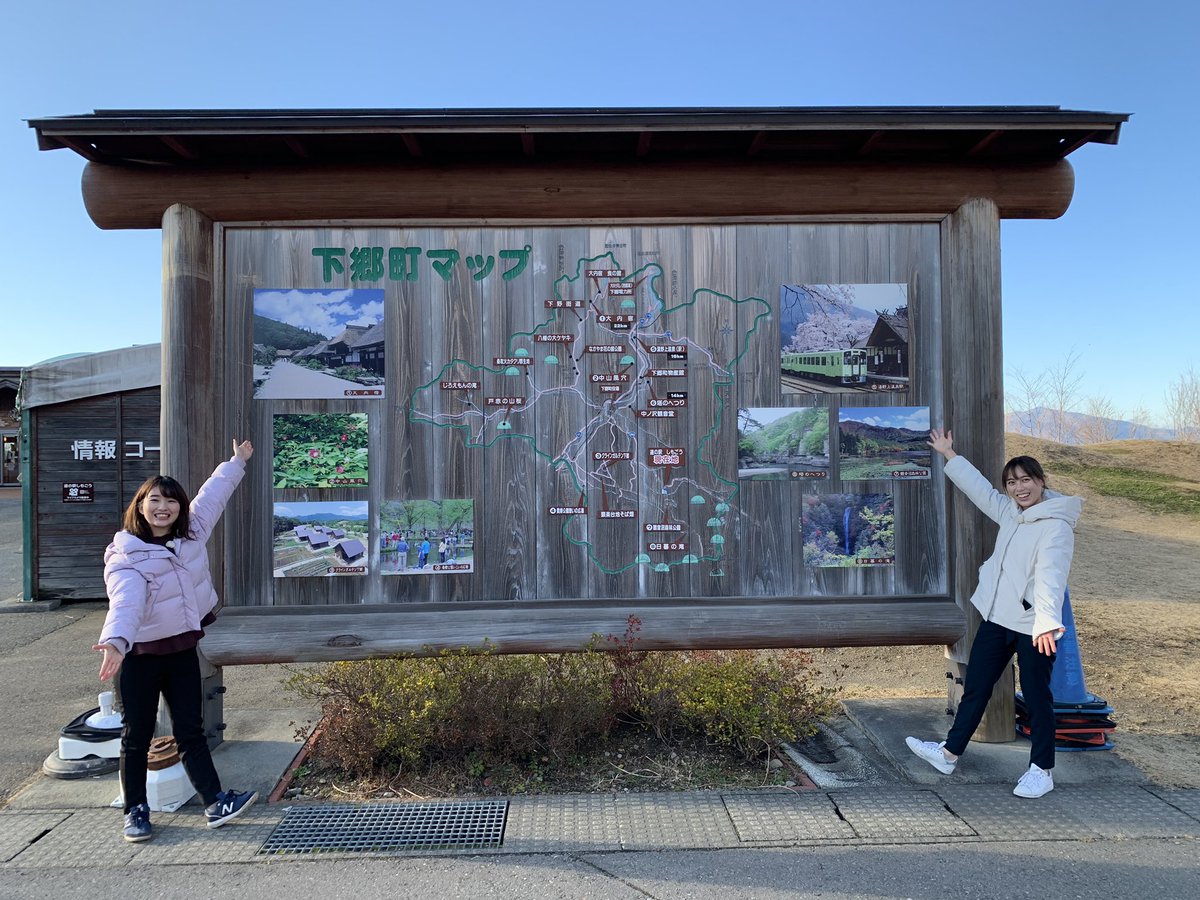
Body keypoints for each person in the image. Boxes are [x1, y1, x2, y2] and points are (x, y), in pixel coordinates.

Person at [93, 440, 260, 842]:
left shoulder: (191, 535)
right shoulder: (126, 555)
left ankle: (215, 802)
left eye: (171, 501)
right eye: (154, 500)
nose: (163, 507)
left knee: (191, 730)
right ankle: (136, 811)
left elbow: (212, 497)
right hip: (140, 657)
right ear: (140, 506)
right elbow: (126, 602)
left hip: (182, 649)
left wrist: (236, 462)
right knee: (137, 737)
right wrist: (116, 641)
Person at [906, 428, 1082, 799]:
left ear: (1040, 481)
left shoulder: (1056, 527)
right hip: (998, 619)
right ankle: (949, 754)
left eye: (1026, 480)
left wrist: (1046, 624)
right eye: (1012, 482)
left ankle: (1041, 770)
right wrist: (949, 454)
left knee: (1037, 698)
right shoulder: (1011, 513)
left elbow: (1051, 578)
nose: (1019, 488)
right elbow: (981, 491)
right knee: (976, 687)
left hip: (1034, 628)